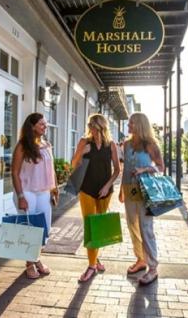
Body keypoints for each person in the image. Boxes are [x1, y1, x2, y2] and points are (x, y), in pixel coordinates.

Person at [71, 113, 120, 282]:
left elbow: (117, 171)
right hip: (87, 189)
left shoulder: (111, 145)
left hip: (105, 191)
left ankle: (94, 258)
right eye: (90, 126)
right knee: (90, 226)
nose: (92, 130)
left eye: (95, 127)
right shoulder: (85, 142)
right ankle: (91, 266)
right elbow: (73, 164)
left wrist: (107, 186)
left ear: (102, 127)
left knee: (99, 226)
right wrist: (81, 152)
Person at [11, 112, 58, 279]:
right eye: (42, 124)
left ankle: (36, 258)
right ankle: (29, 264)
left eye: (45, 124)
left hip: (44, 192)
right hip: (28, 192)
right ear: (32, 127)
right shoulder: (23, 146)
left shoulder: (46, 145)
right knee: (29, 230)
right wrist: (21, 196)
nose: (45, 127)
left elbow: (50, 169)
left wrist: (54, 188)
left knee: (43, 229)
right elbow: (15, 172)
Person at [119, 112, 164, 285]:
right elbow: (126, 168)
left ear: (140, 125)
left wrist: (144, 170)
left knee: (146, 228)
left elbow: (160, 168)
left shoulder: (150, 145)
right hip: (130, 189)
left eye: (131, 123)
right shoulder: (127, 143)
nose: (128, 126)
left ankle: (153, 267)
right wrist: (121, 190)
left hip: (145, 190)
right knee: (132, 226)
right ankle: (141, 260)